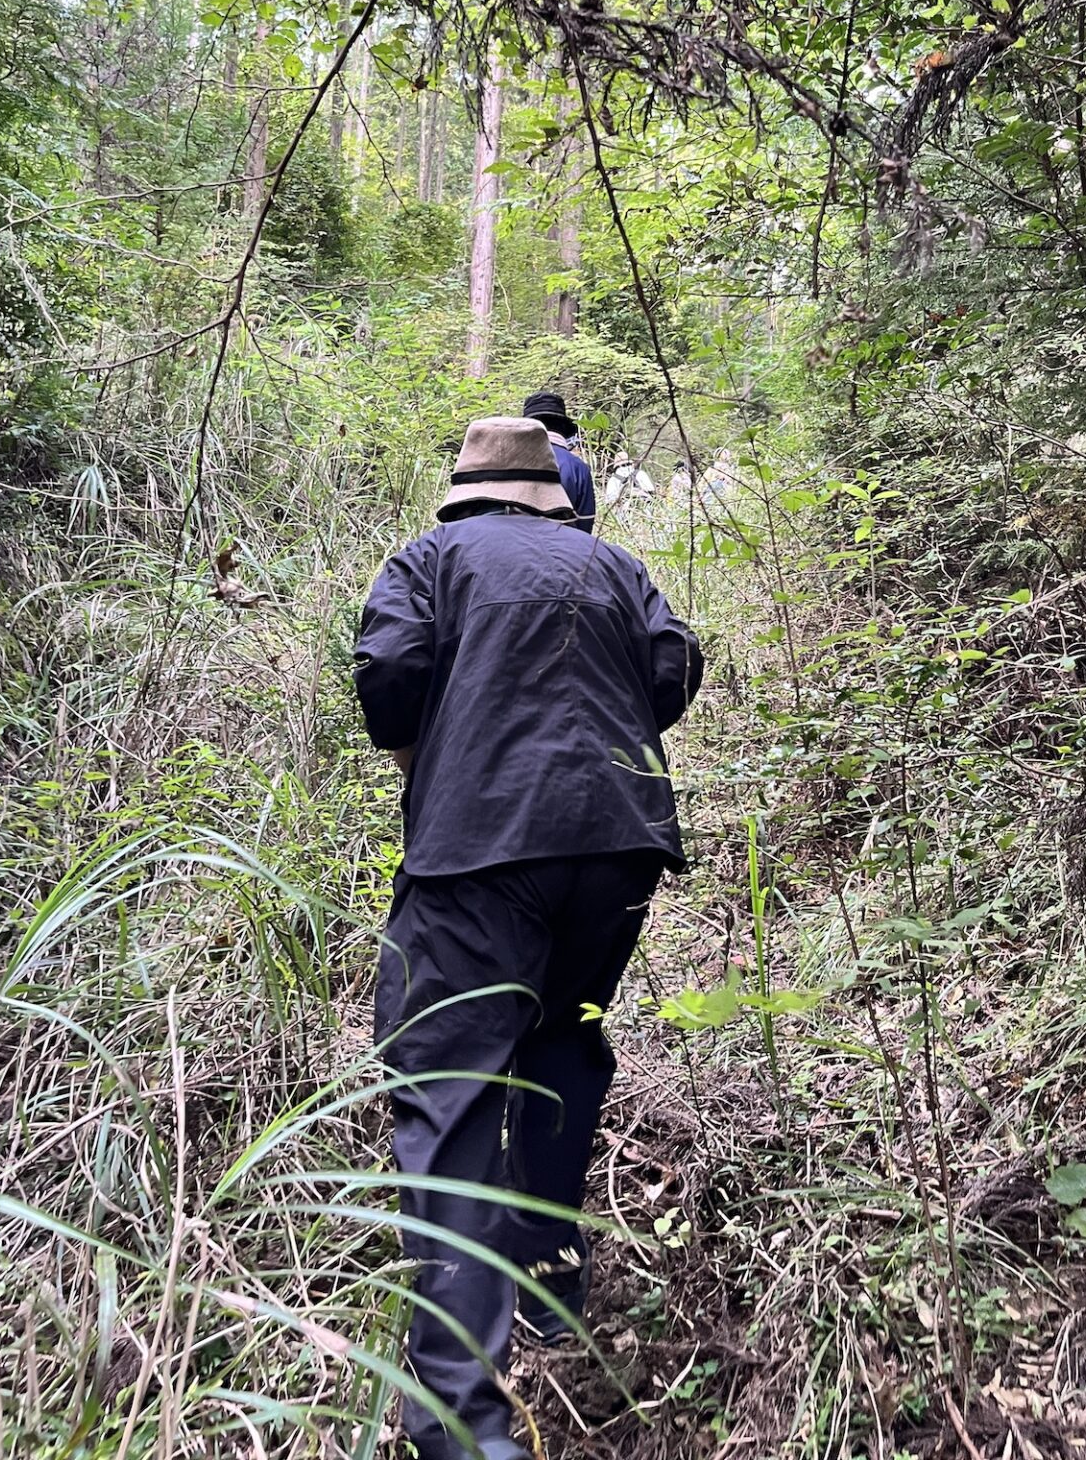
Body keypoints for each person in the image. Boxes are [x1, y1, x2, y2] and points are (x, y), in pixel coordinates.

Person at [354, 416, 703, 1460]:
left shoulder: (429, 558)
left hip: (478, 853)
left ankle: (465, 1430)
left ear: (465, 489)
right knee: (561, 1045)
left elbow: (386, 680)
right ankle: (550, 1293)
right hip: (620, 850)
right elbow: (673, 670)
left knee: (448, 1096)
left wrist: (432, 749)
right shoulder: (613, 562)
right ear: (548, 491)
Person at [522, 389, 595, 532]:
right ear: (562, 427)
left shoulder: (511, 460)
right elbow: (585, 525)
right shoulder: (578, 468)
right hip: (564, 548)